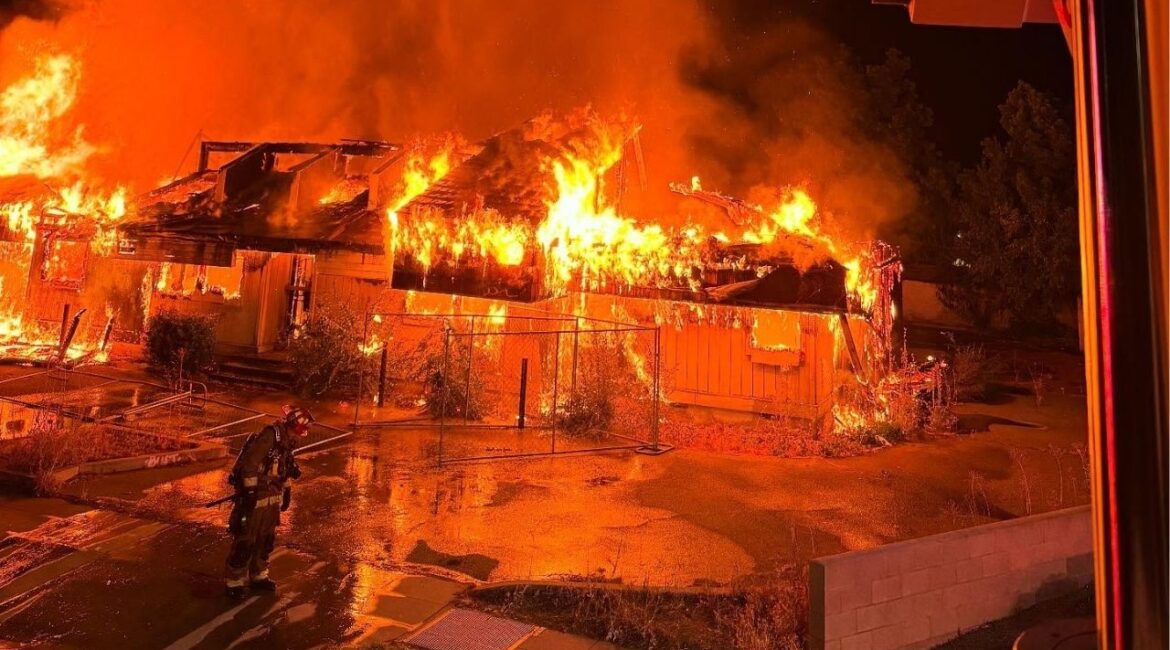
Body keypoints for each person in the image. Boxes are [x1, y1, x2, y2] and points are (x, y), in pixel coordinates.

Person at [224, 405, 313, 598]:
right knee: (246, 539)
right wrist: (249, 492)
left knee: (265, 540)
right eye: (299, 432)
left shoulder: (287, 442)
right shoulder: (269, 436)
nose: (299, 437)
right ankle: (235, 581)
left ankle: (259, 575)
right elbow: (249, 464)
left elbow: (282, 468)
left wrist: (287, 490)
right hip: (255, 497)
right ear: (292, 427)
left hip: (272, 498)